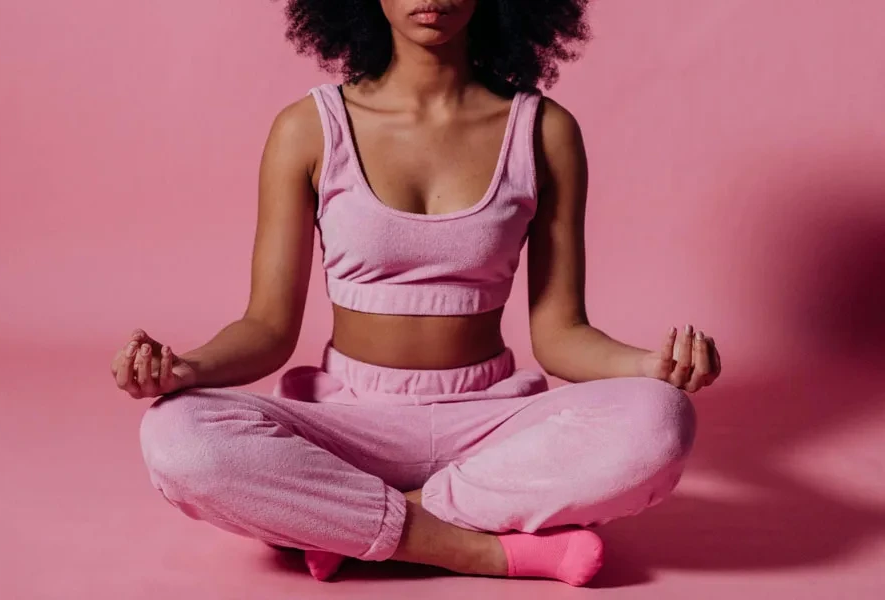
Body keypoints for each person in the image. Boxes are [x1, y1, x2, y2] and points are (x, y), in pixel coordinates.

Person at [111, 0, 721, 587]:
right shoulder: (308, 129)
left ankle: (345, 524)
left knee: (659, 419)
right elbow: (267, 329)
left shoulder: (543, 130)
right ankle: (478, 551)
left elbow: (561, 335)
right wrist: (187, 369)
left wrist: (650, 367)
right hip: (345, 423)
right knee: (177, 434)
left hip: (488, 422)